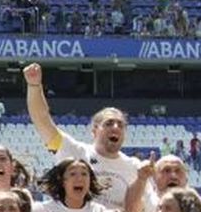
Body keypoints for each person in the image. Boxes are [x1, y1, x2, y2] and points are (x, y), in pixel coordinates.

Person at [23, 62, 144, 201]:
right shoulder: (74, 152)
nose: (115, 127)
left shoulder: (134, 167)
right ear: (94, 130)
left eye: (121, 125)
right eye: (109, 123)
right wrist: (34, 86)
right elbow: (42, 121)